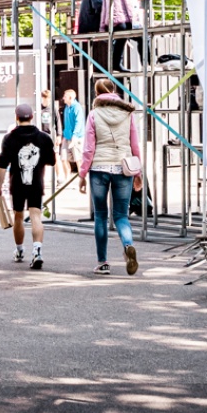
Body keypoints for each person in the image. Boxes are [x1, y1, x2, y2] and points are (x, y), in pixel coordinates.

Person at [80, 79, 143, 276]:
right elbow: (134, 145)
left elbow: (89, 148)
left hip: (99, 168)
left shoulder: (94, 114)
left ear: (97, 93)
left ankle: (103, 263)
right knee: (121, 215)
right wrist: (138, 173)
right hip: (123, 168)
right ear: (114, 90)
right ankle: (128, 245)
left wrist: (82, 173)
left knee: (100, 215)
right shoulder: (127, 114)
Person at [0, 101, 57, 270]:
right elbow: (52, 161)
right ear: (32, 116)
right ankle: (37, 251)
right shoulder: (44, 138)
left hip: (17, 183)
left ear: (16, 117)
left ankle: (19, 250)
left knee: (18, 216)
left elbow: (2, 165)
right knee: (36, 215)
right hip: (36, 182)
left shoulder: (9, 138)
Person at [58, 89, 82, 173]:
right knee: (63, 158)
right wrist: (63, 135)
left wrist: (75, 136)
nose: (63, 98)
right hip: (67, 136)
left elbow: (79, 122)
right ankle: (67, 178)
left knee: (78, 159)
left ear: (70, 97)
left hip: (76, 137)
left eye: (65, 96)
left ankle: (82, 178)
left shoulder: (77, 107)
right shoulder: (66, 108)